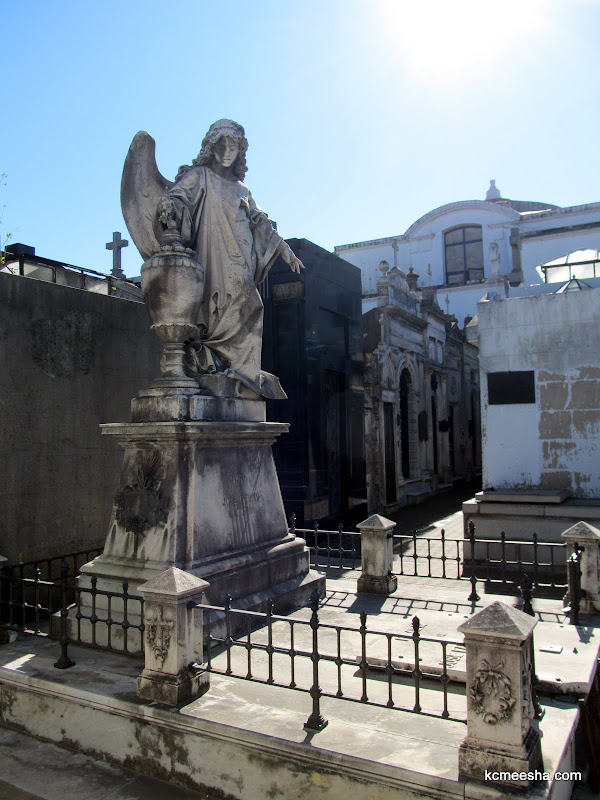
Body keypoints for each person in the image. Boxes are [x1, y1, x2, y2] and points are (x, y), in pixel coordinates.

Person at [159, 119, 303, 398]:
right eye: (222, 145)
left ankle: (237, 370)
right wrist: (171, 207)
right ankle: (221, 361)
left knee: (249, 306)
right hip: (215, 254)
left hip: (241, 255)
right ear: (211, 148)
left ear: (240, 151)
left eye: (233, 146)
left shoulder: (242, 189)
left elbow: (260, 223)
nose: (227, 152)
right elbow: (177, 200)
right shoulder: (199, 176)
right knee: (247, 304)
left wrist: (285, 250)